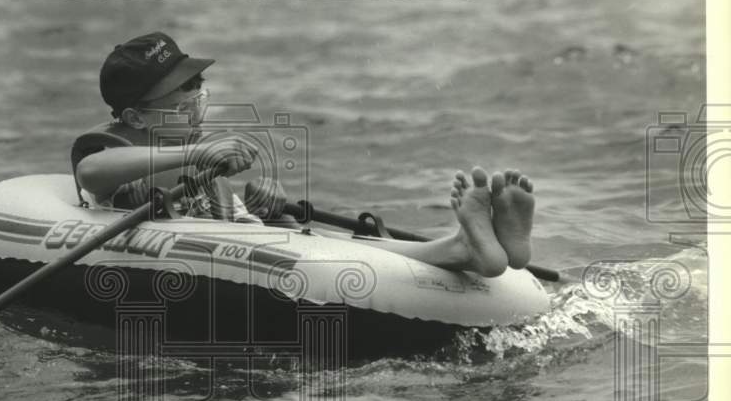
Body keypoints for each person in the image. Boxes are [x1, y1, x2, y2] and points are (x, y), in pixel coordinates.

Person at [72, 32, 535, 278]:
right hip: (182, 257)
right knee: (323, 252)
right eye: (182, 92)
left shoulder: (190, 147)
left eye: (197, 85)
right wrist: (200, 153)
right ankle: (460, 248)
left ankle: (471, 248)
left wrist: (263, 208)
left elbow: (224, 222)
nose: (199, 96)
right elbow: (92, 173)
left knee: (332, 242)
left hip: (242, 243)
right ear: (135, 116)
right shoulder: (117, 145)